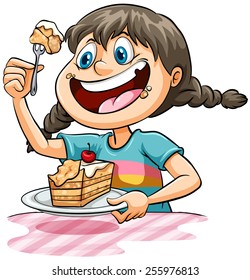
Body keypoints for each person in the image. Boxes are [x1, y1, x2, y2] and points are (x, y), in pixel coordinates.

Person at [3, 4, 247, 223]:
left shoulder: (149, 142)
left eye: (122, 54)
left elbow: (190, 179)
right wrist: (18, 99)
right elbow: (42, 146)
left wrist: (147, 200)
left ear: (173, 78)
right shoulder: (94, 145)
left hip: (153, 228)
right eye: (86, 58)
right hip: (103, 232)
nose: (98, 67)